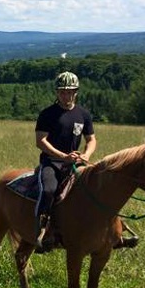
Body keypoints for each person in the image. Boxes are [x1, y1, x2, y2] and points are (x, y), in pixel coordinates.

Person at [34, 71, 95, 252]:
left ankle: (113, 228)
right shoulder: (47, 114)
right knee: (49, 189)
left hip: (76, 162)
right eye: (62, 92)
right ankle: (43, 229)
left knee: (99, 184)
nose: (66, 95)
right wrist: (62, 156)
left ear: (76, 92)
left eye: (69, 92)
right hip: (52, 162)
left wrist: (87, 155)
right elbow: (41, 141)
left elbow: (91, 139)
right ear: (57, 92)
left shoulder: (83, 114)